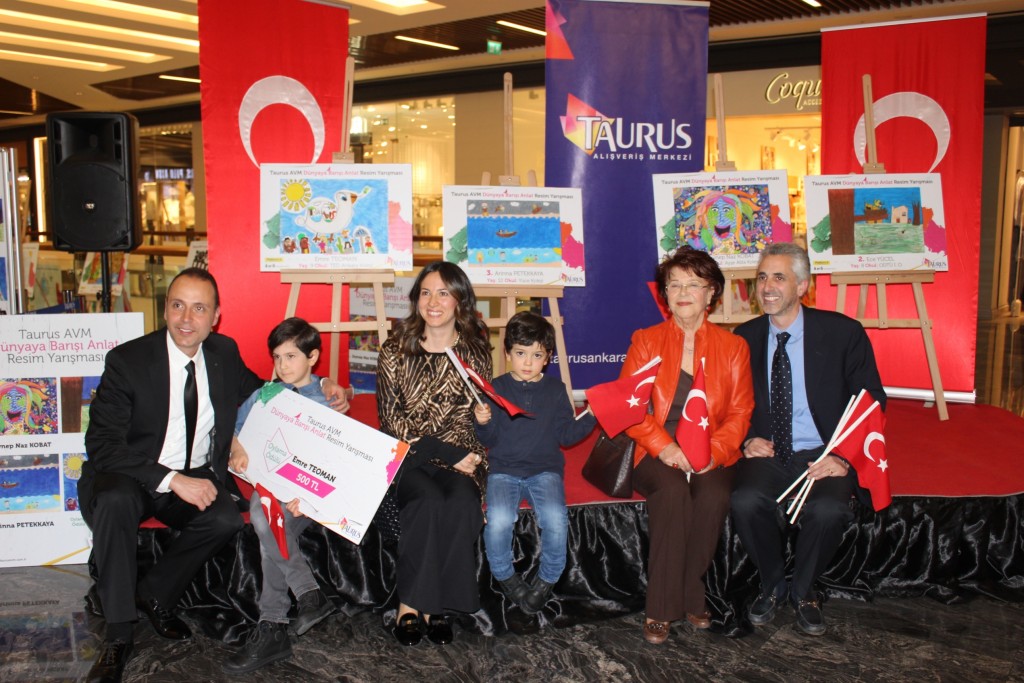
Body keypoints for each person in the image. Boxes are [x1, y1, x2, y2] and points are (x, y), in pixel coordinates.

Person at [80, 269, 348, 683]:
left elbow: (268, 393)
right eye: (178, 306)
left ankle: (153, 594)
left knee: (223, 518)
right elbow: (102, 445)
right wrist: (172, 479)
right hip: (130, 474)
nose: (186, 319)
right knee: (116, 501)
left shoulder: (223, 352)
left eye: (199, 308)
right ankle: (117, 636)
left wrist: (323, 384)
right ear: (165, 309)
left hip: (195, 475)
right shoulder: (127, 361)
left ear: (215, 317)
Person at [731, 242, 885, 636]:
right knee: (745, 501)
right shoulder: (743, 338)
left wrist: (844, 457)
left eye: (778, 277)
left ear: (802, 286)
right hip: (769, 450)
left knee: (828, 511)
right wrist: (747, 438)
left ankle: (804, 591)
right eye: (762, 277)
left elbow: (870, 400)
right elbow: (727, 402)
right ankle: (772, 584)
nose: (767, 286)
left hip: (824, 451)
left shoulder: (843, 333)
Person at [621, 246, 754, 645]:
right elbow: (630, 407)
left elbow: (740, 412)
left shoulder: (733, 346)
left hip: (712, 448)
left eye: (693, 284)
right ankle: (662, 606)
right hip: (654, 447)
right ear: (664, 293)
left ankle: (691, 591)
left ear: (711, 292)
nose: (682, 292)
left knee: (714, 496)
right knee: (674, 492)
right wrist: (666, 448)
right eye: (673, 284)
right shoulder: (646, 340)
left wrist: (713, 453)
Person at [376, 261, 490, 647]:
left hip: (461, 455)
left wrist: (476, 433)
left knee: (461, 502)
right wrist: (443, 451)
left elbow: (471, 421)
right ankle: (411, 604)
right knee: (425, 500)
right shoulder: (395, 350)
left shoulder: (474, 353)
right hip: (408, 456)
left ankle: (437, 603)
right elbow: (392, 421)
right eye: (425, 292)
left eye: (444, 293)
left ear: (460, 300)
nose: (433, 302)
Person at [222, 318, 340, 674]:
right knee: (265, 518)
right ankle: (307, 594)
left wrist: (309, 496)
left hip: (307, 499)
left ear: (312, 357)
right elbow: (232, 431)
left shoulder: (328, 400)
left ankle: (273, 625)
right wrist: (236, 449)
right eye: (277, 357)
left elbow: (336, 462)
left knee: (266, 522)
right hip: (269, 488)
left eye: (291, 356)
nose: (283, 365)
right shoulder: (265, 395)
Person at [473, 311, 596, 615]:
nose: (527, 362)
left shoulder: (555, 390)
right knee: (499, 520)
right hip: (504, 470)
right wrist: (482, 421)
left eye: (537, 355)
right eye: (520, 353)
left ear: (548, 358)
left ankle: (548, 578)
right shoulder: (495, 389)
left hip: (545, 470)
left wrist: (591, 416)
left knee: (555, 519)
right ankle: (505, 575)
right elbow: (489, 439)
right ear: (507, 353)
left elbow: (566, 435)